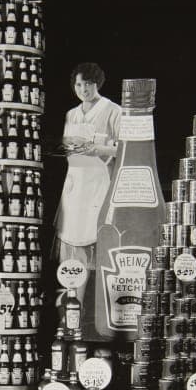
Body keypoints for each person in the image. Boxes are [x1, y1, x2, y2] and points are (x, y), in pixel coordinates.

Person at [53, 62, 121, 308]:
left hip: (99, 186)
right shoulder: (72, 114)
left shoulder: (113, 111)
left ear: (97, 84)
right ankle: (72, 312)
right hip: (74, 188)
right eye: (79, 84)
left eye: (88, 84)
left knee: (97, 245)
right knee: (72, 251)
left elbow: (125, 148)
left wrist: (98, 149)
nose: (83, 89)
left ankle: (95, 313)